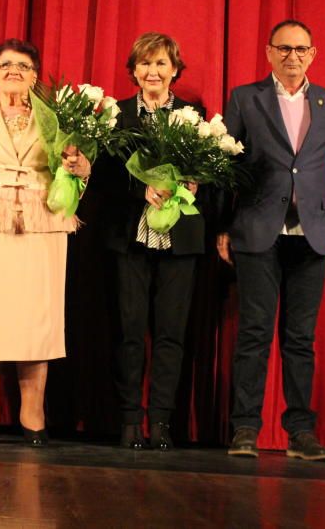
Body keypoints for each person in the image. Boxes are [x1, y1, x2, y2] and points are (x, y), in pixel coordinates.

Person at [218, 19, 325, 461]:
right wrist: (223, 227)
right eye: (284, 48)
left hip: (312, 235)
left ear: (313, 54)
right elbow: (224, 166)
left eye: (301, 49)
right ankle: (245, 429)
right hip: (258, 232)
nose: (292, 56)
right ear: (269, 53)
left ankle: (301, 433)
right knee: (255, 335)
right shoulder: (246, 98)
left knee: (300, 339)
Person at [0, 38, 90, 447]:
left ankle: (33, 413)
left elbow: (75, 174)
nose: (14, 70)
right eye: (5, 64)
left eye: (24, 65)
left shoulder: (56, 119)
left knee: (36, 320)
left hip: (42, 223)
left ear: (35, 75)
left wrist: (81, 166)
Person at [97, 32, 206, 450]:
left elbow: (213, 172)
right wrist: (138, 190)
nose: (153, 72)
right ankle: (129, 421)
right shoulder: (115, 114)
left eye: (161, 63)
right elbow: (101, 178)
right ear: (134, 71)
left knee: (170, 333)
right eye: (145, 64)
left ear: (175, 70)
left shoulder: (195, 116)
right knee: (128, 331)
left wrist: (194, 185)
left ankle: (161, 421)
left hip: (180, 238)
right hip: (129, 236)